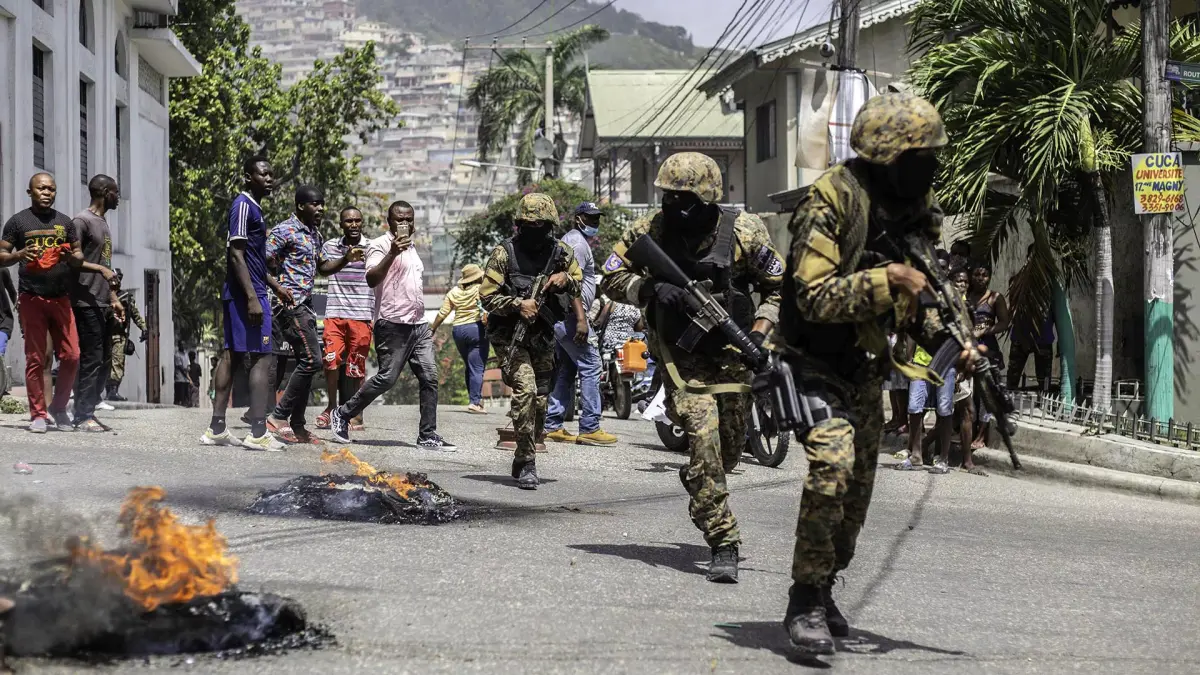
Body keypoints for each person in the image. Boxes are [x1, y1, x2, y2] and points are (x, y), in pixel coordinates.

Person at [773, 93, 982, 654]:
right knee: (832, 468)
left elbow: (919, 306)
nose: (930, 168)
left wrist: (953, 345)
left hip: (865, 366)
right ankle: (804, 600)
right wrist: (888, 279)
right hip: (812, 362)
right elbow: (812, 297)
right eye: (920, 156)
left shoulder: (913, 209)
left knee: (855, 500)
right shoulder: (830, 200)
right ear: (887, 155)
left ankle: (825, 584)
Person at [601, 151, 783, 584]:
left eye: (685, 200)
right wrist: (649, 288)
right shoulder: (649, 230)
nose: (674, 207)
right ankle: (723, 539)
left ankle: (701, 478)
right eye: (668, 197)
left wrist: (760, 334)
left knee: (729, 451)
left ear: (708, 198)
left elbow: (780, 289)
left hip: (734, 353)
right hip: (680, 356)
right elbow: (610, 277)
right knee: (703, 437)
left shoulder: (744, 231)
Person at [329, 201, 455, 450]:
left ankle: (427, 434)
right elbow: (371, 278)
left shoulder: (413, 247)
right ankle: (342, 414)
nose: (405, 223)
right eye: (399, 219)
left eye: (409, 219)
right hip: (392, 324)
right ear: (389, 222)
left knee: (430, 377)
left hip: (418, 324)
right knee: (387, 378)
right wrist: (393, 252)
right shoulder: (379, 245)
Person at [480, 193, 582, 489]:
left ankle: (526, 449)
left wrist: (565, 280)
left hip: (543, 335)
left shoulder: (561, 253)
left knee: (540, 400)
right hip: (509, 335)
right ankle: (527, 461)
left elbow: (580, 282)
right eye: (528, 224)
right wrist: (517, 304)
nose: (534, 230)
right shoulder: (504, 253)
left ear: (550, 225)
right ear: (520, 225)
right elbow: (486, 297)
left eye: (540, 225)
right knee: (525, 390)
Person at [199, 156, 288, 451]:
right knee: (262, 357)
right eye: (263, 174)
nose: (269, 178)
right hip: (245, 294)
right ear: (248, 177)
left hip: (253, 290)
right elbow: (236, 255)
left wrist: (275, 286)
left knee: (234, 355)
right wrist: (252, 298)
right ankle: (258, 432)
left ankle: (217, 429)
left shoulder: (255, 208)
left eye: (271, 174)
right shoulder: (243, 206)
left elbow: (253, 259)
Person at [0, 173, 96, 432]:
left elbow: (78, 255)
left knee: (72, 355)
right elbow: (2, 255)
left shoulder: (64, 222)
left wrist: (71, 257)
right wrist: (20, 254)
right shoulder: (18, 222)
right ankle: (38, 414)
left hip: (60, 298)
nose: (46, 193)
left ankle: (59, 408)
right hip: (31, 297)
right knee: (36, 357)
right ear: (29, 192)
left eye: (51, 189)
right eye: (41, 188)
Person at [543, 202, 617, 446]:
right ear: (578, 219)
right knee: (592, 365)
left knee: (567, 369)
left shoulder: (573, 241)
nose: (595, 222)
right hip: (571, 316)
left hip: (564, 317)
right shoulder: (577, 243)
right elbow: (569, 283)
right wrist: (582, 319)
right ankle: (590, 427)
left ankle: (553, 424)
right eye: (590, 217)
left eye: (597, 218)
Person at [264, 186, 327, 445]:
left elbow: (323, 267)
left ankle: (298, 426)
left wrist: (347, 258)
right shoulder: (284, 231)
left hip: (307, 306)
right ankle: (278, 416)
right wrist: (278, 287)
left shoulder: (314, 234)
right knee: (313, 360)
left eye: (322, 204)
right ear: (301, 206)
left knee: (306, 361)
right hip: (290, 305)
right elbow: (257, 262)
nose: (320, 208)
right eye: (315, 204)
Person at [69, 174, 125, 430]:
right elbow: (72, 260)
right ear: (104, 192)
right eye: (115, 192)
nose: (118, 197)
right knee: (91, 358)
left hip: (102, 301)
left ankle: (88, 409)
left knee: (104, 359)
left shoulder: (103, 223)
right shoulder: (82, 221)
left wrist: (113, 298)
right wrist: (101, 271)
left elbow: (106, 264)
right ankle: (82, 415)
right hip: (85, 301)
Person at [315, 207, 371, 431]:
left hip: (362, 314)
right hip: (335, 313)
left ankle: (356, 412)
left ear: (362, 223)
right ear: (341, 225)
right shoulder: (330, 246)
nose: (354, 224)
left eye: (357, 220)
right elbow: (324, 270)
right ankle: (331, 407)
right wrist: (346, 258)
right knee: (331, 361)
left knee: (357, 365)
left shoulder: (372, 247)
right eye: (348, 221)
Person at [430, 263, 490, 414]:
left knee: (470, 365)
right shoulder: (480, 289)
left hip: (458, 331)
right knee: (477, 367)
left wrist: (433, 329)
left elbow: (443, 313)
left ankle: (475, 399)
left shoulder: (454, 292)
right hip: (476, 329)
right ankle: (475, 402)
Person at [967, 259, 1011, 449]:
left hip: (987, 349)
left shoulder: (995, 298)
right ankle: (966, 430)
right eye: (977, 274)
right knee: (967, 393)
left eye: (984, 275)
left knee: (986, 394)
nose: (980, 278)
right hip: (966, 349)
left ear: (989, 277)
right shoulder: (966, 296)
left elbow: (1004, 322)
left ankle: (981, 435)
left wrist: (985, 331)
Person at [106, 269, 146, 401]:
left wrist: (144, 328)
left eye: (119, 278)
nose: (116, 280)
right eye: (114, 277)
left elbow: (135, 314)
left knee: (118, 363)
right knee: (105, 363)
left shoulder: (125, 297)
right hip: (104, 335)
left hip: (119, 335)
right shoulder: (103, 294)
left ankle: (113, 391)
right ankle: (107, 391)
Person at [174, 341, 189, 406]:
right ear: (179, 346)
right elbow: (180, 366)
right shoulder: (177, 355)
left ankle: (185, 402)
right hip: (180, 377)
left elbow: (188, 364)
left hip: (186, 378)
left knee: (185, 392)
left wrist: (188, 369)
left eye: (184, 345)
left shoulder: (186, 354)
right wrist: (186, 373)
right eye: (181, 345)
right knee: (180, 392)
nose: (183, 346)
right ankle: (180, 402)